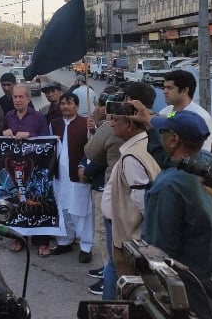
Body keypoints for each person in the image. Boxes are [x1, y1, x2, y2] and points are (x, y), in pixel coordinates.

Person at [131, 107, 212, 318]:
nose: (160, 136)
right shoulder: (209, 163)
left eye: (164, 133)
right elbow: (169, 158)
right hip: (207, 282)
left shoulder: (168, 187)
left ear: (174, 140)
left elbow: (158, 252)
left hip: (181, 293)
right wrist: (150, 123)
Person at [106, 84, 160, 290]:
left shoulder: (133, 157)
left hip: (132, 243)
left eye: (116, 120)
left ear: (129, 125)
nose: (111, 125)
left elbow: (144, 203)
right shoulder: (143, 146)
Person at [82, 86, 125, 297]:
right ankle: (108, 268)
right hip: (115, 188)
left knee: (105, 233)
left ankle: (110, 275)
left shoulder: (111, 126)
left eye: (102, 105)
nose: (98, 108)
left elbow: (93, 152)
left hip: (107, 187)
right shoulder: (108, 125)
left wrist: (98, 130)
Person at [2, 84, 50, 255]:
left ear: (28, 98)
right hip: (16, 169)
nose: (17, 100)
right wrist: (5, 134)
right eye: (15, 97)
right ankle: (19, 238)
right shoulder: (8, 116)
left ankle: (41, 241)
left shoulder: (38, 117)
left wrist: (30, 136)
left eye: (21, 97)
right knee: (18, 203)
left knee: (36, 202)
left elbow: (47, 142)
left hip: (35, 168)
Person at [50, 92, 94, 264]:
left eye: (69, 103)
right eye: (63, 103)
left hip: (78, 176)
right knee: (63, 210)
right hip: (59, 177)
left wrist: (94, 128)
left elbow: (94, 146)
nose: (66, 106)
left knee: (82, 212)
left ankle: (85, 246)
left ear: (77, 106)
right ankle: (65, 240)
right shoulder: (54, 124)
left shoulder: (86, 123)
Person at [157, 70, 212, 151]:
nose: (164, 91)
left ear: (184, 91)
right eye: (164, 87)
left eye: (169, 88)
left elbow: (202, 154)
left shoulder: (200, 117)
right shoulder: (164, 113)